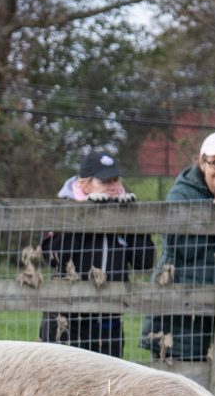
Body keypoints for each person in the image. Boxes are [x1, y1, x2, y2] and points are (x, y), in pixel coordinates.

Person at [37, 148, 154, 359]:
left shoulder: (123, 211)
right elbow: (54, 258)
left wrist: (133, 222)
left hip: (109, 322)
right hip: (67, 320)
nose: (113, 188)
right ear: (84, 184)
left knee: (108, 386)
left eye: (116, 181)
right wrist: (86, 216)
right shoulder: (63, 209)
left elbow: (143, 262)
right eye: (105, 182)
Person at [141, 131, 215, 360]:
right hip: (179, 305)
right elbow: (183, 248)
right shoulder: (181, 194)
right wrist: (213, 211)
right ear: (202, 161)